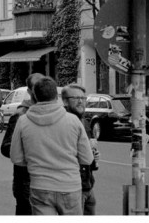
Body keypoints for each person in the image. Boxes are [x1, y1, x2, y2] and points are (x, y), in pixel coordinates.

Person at [9, 76, 93, 215]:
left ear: (35, 96)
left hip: (40, 186)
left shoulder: (23, 121)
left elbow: (16, 158)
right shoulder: (73, 121)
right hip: (70, 186)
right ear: (56, 96)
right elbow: (87, 159)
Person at [1, 73, 45, 215]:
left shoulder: (53, 112)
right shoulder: (21, 114)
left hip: (49, 181)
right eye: (36, 87)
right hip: (26, 182)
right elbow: (6, 147)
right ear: (29, 91)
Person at [61, 84, 99, 215]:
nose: (80, 101)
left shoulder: (85, 122)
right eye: (76, 98)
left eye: (83, 98)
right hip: (72, 187)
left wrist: (94, 158)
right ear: (65, 101)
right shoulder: (61, 122)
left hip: (88, 184)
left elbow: (88, 153)